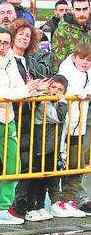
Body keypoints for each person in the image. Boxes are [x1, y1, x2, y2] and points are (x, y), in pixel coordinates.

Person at [0, 27, 48, 225]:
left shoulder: (11, 61)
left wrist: (31, 90)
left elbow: (18, 87)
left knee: (13, 164)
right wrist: (25, 90)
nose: (1, 46)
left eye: (5, 42)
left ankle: (2, 207)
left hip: (9, 117)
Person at [52, 44, 91, 218]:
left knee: (77, 164)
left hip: (79, 125)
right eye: (82, 58)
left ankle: (69, 199)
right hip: (63, 125)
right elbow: (64, 90)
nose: (85, 63)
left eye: (88, 60)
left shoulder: (88, 73)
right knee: (57, 162)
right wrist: (82, 94)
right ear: (75, 57)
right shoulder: (66, 69)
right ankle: (55, 201)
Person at [26, 75, 68, 222]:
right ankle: (31, 208)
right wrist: (63, 101)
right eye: (54, 87)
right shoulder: (44, 102)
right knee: (36, 178)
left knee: (46, 178)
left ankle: (41, 206)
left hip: (52, 148)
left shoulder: (55, 102)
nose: (56, 91)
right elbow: (59, 117)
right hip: (40, 146)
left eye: (60, 89)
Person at [52, 0, 91, 72]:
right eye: (78, 9)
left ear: (90, 9)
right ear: (72, 10)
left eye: (85, 9)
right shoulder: (62, 32)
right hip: (72, 80)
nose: (82, 14)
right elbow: (57, 66)